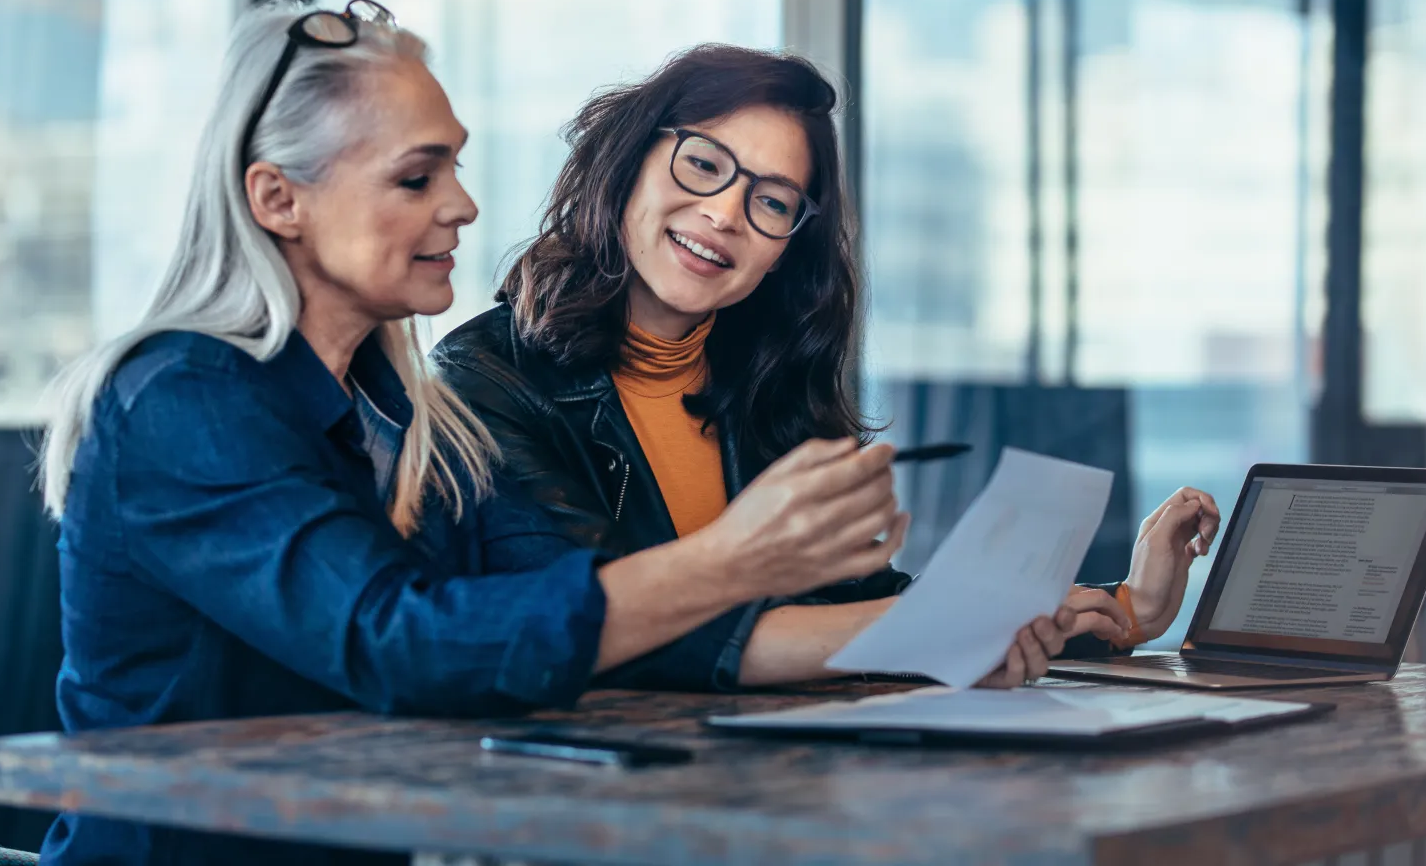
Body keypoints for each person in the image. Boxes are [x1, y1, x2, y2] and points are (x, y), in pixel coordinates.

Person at [35, 1, 1113, 866]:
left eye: (454, 165)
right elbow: (399, 643)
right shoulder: (182, 400)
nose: (461, 205)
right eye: (417, 177)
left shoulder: (410, 415)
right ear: (278, 199)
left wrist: (956, 633)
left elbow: (577, 607)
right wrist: (738, 560)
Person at [434, 43, 1221, 691]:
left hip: (769, 787)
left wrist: (1128, 607)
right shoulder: (482, 382)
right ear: (629, 161)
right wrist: (949, 629)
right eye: (703, 164)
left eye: (772, 202)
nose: (725, 214)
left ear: (786, 251)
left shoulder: (763, 384)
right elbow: (605, 628)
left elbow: (856, 606)